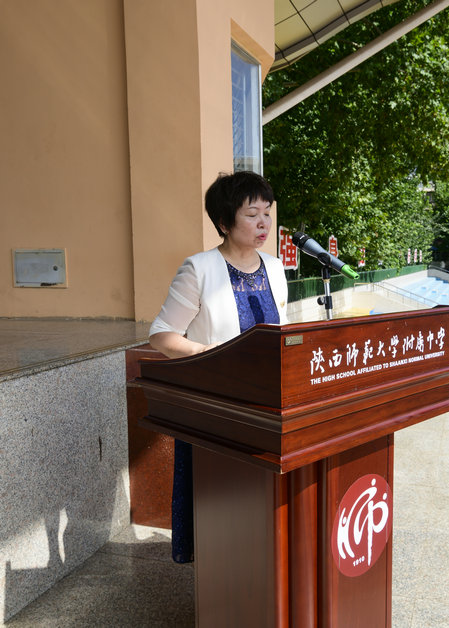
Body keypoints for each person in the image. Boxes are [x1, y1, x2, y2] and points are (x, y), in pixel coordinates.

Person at [149, 170, 289, 562]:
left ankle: (259, 564)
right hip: (217, 405)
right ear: (224, 222)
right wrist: (208, 353)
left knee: (260, 500)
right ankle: (221, 570)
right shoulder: (199, 269)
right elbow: (161, 335)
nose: (263, 223)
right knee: (222, 502)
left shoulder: (275, 267)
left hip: (267, 403)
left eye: (267, 213)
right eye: (252, 214)